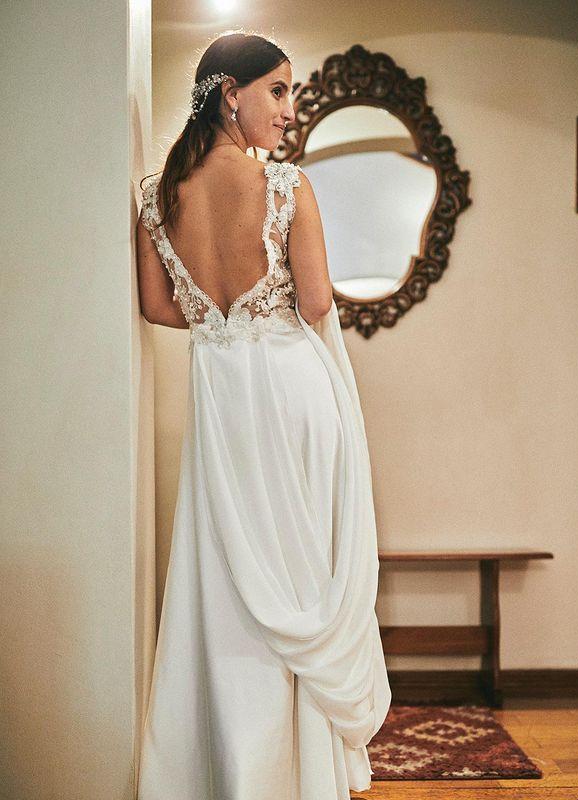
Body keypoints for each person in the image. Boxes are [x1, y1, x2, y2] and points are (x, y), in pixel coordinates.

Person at [135, 30, 391, 800]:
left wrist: (220, 325)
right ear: (229, 93)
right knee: (302, 571)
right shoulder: (286, 187)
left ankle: (236, 772)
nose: (288, 109)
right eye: (278, 90)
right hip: (290, 392)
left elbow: (157, 307)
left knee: (226, 575)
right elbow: (313, 302)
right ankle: (303, 773)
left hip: (223, 399)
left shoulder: (155, 197)